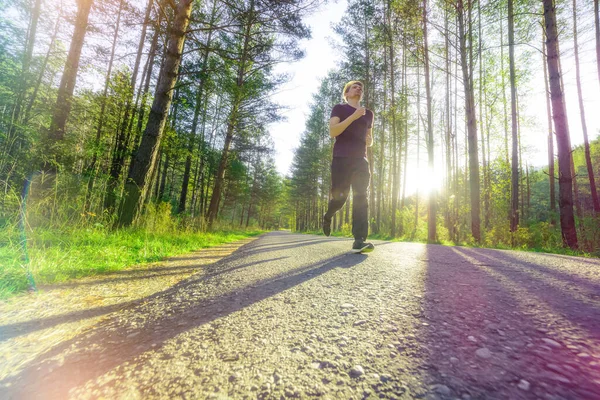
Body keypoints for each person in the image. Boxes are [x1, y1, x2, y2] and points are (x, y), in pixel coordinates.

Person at [322, 80, 375, 253]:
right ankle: (328, 215)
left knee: (361, 197)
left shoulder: (368, 114)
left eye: (361, 87)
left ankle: (359, 240)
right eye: (354, 87)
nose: (359, 88)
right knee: (340, 198)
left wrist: (369, 140)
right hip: (341, 158)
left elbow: (370, 138)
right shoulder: (340, 109)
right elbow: (333, 131)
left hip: (361, 160)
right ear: (346, 93)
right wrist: (353, 117)